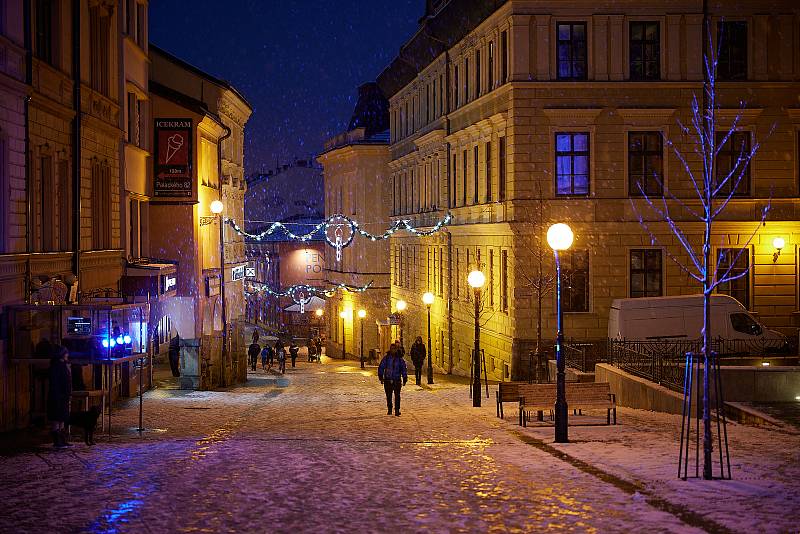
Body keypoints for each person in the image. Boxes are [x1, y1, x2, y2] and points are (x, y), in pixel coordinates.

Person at [47, 345, 72, 448]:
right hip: (58, 396)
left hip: (62, 395)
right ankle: (57, 441)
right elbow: (57, 382)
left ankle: (61, 439)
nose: (67, 355)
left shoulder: (61, 365)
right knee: (57, 418)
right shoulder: (57, 366)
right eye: (66, 353)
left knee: (61, 418)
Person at [378, 343, 408, 416]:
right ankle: (390, 409)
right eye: (392, 349)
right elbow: (381, 367)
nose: (393, 350)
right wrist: (381, 376)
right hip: (388, 379)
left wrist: (404, 378)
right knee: (389, 395)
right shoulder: (386, 358)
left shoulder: (400, 359)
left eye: (394, 349)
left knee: (397, 395)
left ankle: (397, 410)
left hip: (396, 379)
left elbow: (403, 369)